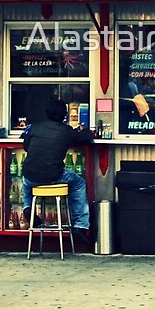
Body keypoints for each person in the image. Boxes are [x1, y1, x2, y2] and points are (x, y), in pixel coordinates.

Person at [21, 99, 93, 242]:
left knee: (27, 180)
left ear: (47, 113)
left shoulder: (35, 127)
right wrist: (83, 130)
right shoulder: (66, 131)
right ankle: (81, 225)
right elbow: (84, 139)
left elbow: (26, 146)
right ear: (64, 115)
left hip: (30, 174)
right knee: (79, 183)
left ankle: (28, 207)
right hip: (53, 175)